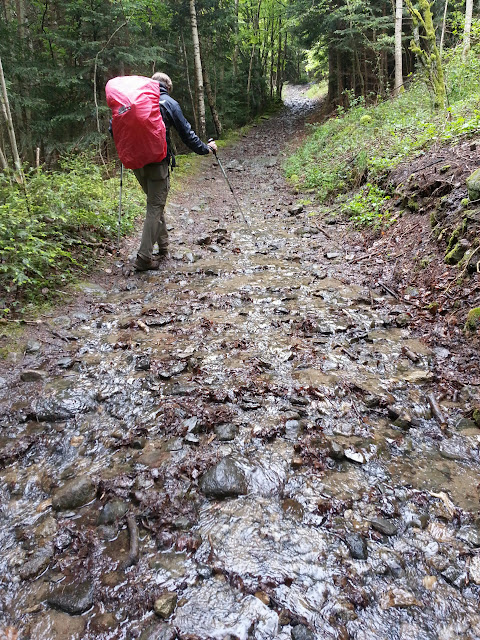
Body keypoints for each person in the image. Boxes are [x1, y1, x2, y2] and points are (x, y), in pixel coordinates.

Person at [133, 72, 217, 271]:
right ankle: (144, 257)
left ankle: (163, 246)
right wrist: (205, 149)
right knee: (155, 205)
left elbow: (113, 128)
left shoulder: (135, 101)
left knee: (156, 202)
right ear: (168, 87)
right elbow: (187, 134)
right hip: (157, 164)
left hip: (136, 163)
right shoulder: (169, 103)